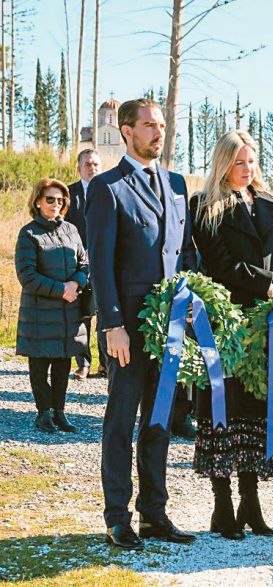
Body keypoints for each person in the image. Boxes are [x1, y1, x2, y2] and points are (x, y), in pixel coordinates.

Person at [86, 98, 197, 551]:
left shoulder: (175, 183)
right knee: (121, 423)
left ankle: (154, 514)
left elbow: (185, 251)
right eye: (150, 125)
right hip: (126, 329)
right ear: (125, 130)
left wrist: (192, 297)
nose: (159, 132)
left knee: (159, 421)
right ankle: (118, 517)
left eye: (162, 125)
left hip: (168, 328)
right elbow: (100, 262)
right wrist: (112, 323)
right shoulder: (108, 187)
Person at [190, 130, 273, 540]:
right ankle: (222, 505)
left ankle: (251, 502)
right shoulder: (206, 206)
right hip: (225, 319)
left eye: (251, 161)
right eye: (238, 162)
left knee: (257, 407)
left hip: (266, 319)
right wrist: (267, 284)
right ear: (223, 163)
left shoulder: (270, 204)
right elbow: (219, 262)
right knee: (224, 408)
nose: (246, 169)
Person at [15, 179, 89, 434]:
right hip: (39, 313)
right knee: (39, 366)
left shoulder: (72, 230)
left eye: (61, 200)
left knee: (62, 365)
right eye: (50, 199)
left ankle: (60, 412)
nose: (56, 204)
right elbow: (27, 275)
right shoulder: (29, 233)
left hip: (69, 312)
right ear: (38, 201)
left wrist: (76, 284)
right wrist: (62, 290)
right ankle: (43, 413)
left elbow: (84, 264)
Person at [66, 149, 104, 380]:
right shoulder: (69, 194)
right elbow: (64, 227)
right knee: (82, 315)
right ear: (79, 168)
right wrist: (82, 251)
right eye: (88, 164)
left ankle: (106, 365)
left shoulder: (110, 191)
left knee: (106, 313)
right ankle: (83, 363)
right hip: (78, 262)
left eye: (96, 164)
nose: (93, 168)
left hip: (106, 261)